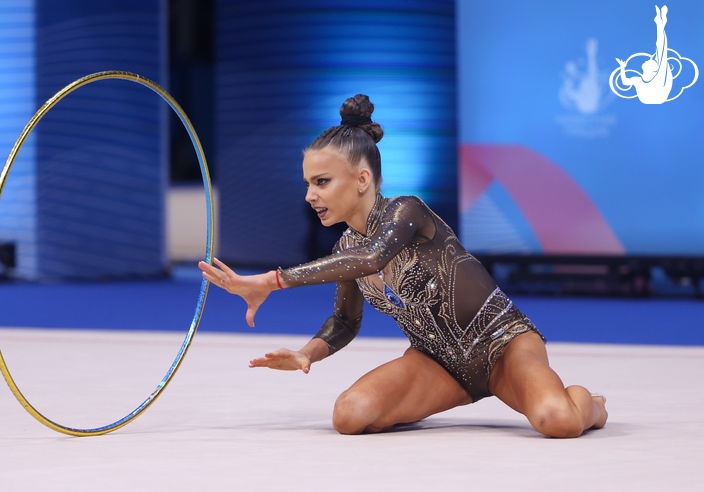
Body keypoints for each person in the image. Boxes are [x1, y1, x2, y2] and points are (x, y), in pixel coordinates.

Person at [198, 94, 608, 438]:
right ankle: (472, 390)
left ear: (361, 179)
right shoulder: (346, 247)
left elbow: (372, 257)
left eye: (321, 182)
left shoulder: (407, 211)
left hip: (501, 347)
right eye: (307, 183)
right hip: (437, 364)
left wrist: (273, 281)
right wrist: (307, 354)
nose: (309, 195)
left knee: (559, 421)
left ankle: (591, 405)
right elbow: (344, 322)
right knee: (349, 415)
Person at [616, 5, 672, 104]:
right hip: (650, 98)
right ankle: (660, 23)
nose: (648, 59)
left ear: (653, 69)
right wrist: (622, 67)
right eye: (651, 60)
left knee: (661, 51)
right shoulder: (638, 80)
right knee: (661, 51)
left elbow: (662, 49)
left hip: (658, 96)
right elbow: (625, 82)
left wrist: (660, 26)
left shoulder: (658, 77)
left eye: (651, 61)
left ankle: (660, 23)